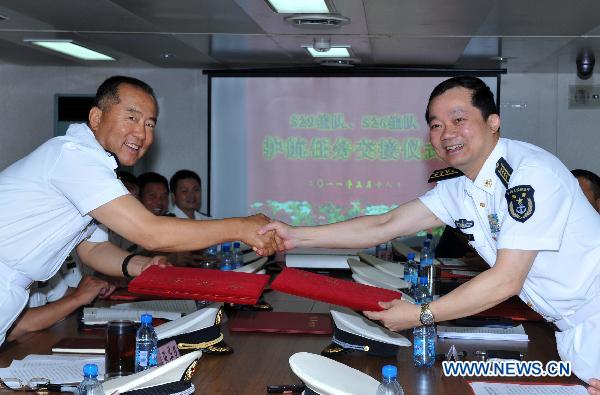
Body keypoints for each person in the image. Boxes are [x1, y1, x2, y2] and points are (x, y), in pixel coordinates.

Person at [260, 76, 600, 388]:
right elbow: (386, 224)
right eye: (436, 125)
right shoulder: (460, 187)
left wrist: (420, 315)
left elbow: (506, 280)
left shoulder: (529, 174)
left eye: (458, 119)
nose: (446, 133)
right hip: (574, 331)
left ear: (493, 122)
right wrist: (296, 236)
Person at [0, 75, 276, 346]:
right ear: (96, 118)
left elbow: (93, 250)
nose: (141, 134)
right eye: (131, 118)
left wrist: (139, 265)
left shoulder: (93, 171)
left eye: (150, 123)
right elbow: (150, 233)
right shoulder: (73, 157)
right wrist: (241, 227)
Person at [7, 270, 115, 341]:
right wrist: (78, 297)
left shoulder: (43, 257)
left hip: (36, 340)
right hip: (10, 353)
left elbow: (62, 295)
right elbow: (15, 327)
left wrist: (93, 289)